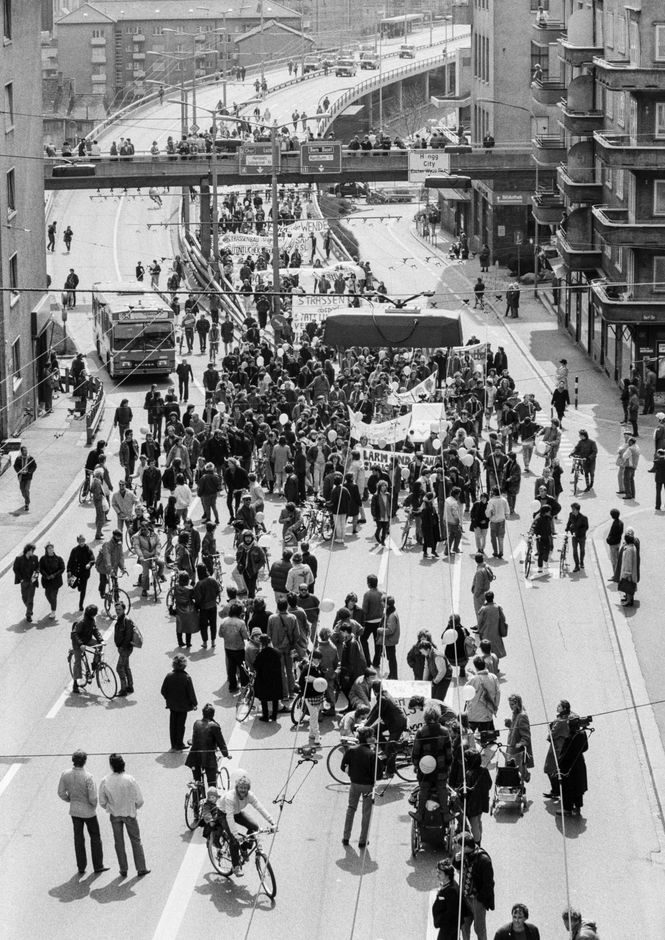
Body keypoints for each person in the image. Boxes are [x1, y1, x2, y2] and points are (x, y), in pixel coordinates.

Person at [58, 749, 108, 875]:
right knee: (95, 837)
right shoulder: (88, 777)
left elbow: (61, 792)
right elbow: (92, 797)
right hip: (88, 812)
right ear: (84, 761)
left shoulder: (65, 774)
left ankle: (81, 866)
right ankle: (98, 865)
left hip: (74, 810)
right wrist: (93, 805)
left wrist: (70, 800)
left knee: (78, 838)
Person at [99, 753, 149, 878]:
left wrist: (110, 807)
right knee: (136, 840)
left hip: (115, 814)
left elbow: (102, 802)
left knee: (119, 842)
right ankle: (141, 868)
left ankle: (123, 869)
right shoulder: (130, 779)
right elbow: (140, 800)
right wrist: (134, 807)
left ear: (111, 766)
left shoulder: (105, 780)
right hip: (129, 813)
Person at [217, 774, 275, 877]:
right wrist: (235, 834)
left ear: (248, 788)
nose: (243, 790)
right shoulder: (230, 797)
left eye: (245, 788)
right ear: (237, 787)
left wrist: (272, 822)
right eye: (240, 787)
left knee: (254, 827)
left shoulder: (249, 796)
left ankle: (244, 847)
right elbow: (229, 817)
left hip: (237, 812)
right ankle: (236, 867)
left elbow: (260, 807)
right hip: (224, 814)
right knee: (233, 839)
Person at [410, 705, 453, 825]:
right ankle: (446, 814)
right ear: (438, 716)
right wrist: (448, 765)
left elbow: (416, 753)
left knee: (424, 790)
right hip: (441, 769)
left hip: (425, 770)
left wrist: (416, 765)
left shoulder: (421, 732)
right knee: (442, 789)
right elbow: (449, 753)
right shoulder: (444, 731)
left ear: (425, 717)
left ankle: (419, 814)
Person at [341, 726, 377, 849]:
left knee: (351, 809)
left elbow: (343, 766)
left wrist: (351, 773)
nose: (374, 738)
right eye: (372, 736)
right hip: (368, 786)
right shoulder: (372, 754)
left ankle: (346, 837)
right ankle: (363, 840)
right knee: (366, 812)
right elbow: (377, 774)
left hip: (354, 784)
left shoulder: (351, 751)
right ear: (368, 738)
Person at [454, 833, 495, 940]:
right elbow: (458, 868)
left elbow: (489, 883)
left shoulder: (483, 860)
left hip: (476, 900)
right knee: (464, 925)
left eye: (460, 846)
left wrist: (480, 898)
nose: (458, 849)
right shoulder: (464, 855)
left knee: (479, 928)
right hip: (465, 897)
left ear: (467, 847)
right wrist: (456, 860)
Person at [364, 681, 407, 775]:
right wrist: (366, 719)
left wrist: (365, 726)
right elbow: (375, 708)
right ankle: (385, 748)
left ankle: (390, 771)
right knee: (374, 731)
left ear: (374, 691)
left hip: (397, 724)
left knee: (390, 748)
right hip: (390, 720)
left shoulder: (383, 699)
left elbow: (376, 714)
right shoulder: (383, 694)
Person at [185, 703, 230, 786]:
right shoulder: (215, 726)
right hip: (208, 759)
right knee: (211, 783)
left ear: (203, 713)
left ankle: (196, 792)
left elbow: (196, 737)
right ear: (213, 714)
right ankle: (210, 793)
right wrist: (226, 754)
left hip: (194, 757)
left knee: (197, 781)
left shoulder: (196, 723)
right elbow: (221, 743)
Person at [160, 654, 198, 750]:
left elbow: (163, 691)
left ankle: (173, 744)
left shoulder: (169, 676)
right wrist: (194, 704)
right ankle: (179, 743)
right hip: (183, 706)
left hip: (172, 705)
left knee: (173, 724)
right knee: (180, 725)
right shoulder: (186, 677)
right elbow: (191, 693)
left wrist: (168, 698)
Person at [557, 715, 589, 816]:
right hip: (579, 763)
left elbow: (565, 754)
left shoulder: (570, 738)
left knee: (568, 788)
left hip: (569, 766)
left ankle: (567, 809)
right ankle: (578, 808)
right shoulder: (582, 734)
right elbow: (585, 748)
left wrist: (559, 765)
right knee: (578, 787)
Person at [433, 860, 472, 940]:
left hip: (449, 926)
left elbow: (452, 912)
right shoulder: (448, 883)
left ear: (447, 875)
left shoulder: (452, 891)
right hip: (448, 925)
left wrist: (440, 920)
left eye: (440, 873)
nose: (437, 875)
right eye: (437, 872)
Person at [543, 699, 573, 799]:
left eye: (559, 706)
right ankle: (557, 790)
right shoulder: (567, 718)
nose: (557, 707)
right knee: (557, 770)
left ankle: (556, 790)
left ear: (564, 708)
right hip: (563, 748)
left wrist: (551, 728)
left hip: (556, 749)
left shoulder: (560, 722)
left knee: (549, 769)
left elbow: (551, 735)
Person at [70, 605, 103, 694]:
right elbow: (74, 634)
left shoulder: (91, 620)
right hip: (78, 642)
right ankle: (75, 684)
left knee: (99, 646)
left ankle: (95, 664)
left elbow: (95, 630)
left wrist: (101, 640)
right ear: (91, 614)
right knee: (78, 663)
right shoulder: (81, 622)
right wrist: (81, 644)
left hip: (87, 639)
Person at [461, 749, 492, 844]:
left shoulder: (469, 774)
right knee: (478, 821)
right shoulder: (484, 771)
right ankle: (479, 840)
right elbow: (489, 784)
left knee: (474, 823)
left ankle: (477, 843)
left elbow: (466, 790)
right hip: (482, 801)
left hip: (473, 804)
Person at [218, 601, 249, 693]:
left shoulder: (224, 621)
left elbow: (220, 634)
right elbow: (245, 636)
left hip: (228, 648)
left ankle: (232, 686)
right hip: (239, 648)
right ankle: (244, 685)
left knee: (231, 668)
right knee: (242, 667)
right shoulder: (241, 623)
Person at [299, 649, 327, 747]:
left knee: (313, 716)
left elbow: (322, 679)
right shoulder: (307, 668)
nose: (319, 661)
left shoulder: (318, 667)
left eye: (320, 659)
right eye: (318, 659)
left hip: (318, 695)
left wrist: (314, 680)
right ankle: (317, 735)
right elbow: (301, 682)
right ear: (313, 658)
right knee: (314, 716)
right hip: (310, 696)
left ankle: (311, 733)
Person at [465, 655, 500, 732]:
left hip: (473, 715)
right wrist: (495, 708)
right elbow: (498, 694)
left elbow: (466, 694)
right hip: (487, 714)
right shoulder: (493, 678)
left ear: (475, 667)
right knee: (484, 736)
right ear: (485, 665)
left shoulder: (473, 679)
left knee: (469, 735)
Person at [253, 634, 283, 722]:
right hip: (275, 678)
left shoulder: (261, 654)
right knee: (275, 697)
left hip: (264, 679)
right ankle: (274, 715)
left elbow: (255, 665)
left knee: (264, 698)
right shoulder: (276, 652)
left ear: (261, 644)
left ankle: (265, 716)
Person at [504, 694, 534, 782]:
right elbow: (515, 728)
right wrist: (509, 724)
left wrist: (521, 743)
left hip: (517, 748)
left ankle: (525, 776)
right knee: (511, 767)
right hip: (512, 744)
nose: (511, 707)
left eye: (512, 704)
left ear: (518, 703)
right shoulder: (515, 713)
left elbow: (526, 734)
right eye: (510, 704)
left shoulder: (522, 716)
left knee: (516, 766)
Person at [113, 600, 136, 696]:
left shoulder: (126, 620)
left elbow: (128, 636)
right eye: (116, 609)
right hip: (123, 648)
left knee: (119, 668)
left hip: (125, 649)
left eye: (119, 609)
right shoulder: (120, 619)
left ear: (124, 610)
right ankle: (130, 686)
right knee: (126, 667)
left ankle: (123, 689)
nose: (117, 611)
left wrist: (122, 647)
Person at [374, 595, 400, 679]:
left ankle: (393, 675)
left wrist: (379, 630)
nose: (381, 603)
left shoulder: (391, 615)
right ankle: (392, 674)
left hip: (390, 640)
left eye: (382, 602)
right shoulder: (390, 612)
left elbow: (390, 630)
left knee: (391, 659)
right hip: (390, 640)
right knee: (391, 658)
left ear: (387, 604)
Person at [476, 592, 507, 660]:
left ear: (486, 598)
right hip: (496, 634)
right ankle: (495, 665)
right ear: (493, 597)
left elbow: (479, 623)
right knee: (496, 654)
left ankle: (490, 665)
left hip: (486, 635)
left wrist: (479, 632)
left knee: (487, 653)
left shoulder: (483, 609)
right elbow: (503, 619)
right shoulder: (498, 607)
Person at [13, 542, 39, 622]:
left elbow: (37, 568)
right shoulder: (19, 559)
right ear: (27, 550)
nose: (33, 552)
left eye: (33, 550)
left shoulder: (35, 558)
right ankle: (29, 609)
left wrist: (34, 578)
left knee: (30, 598)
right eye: (31, 550)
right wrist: (21, 579)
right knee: (24, 598)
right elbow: (15, 569)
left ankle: (28, 615)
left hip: (32, 581)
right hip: (24, 581)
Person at [235, 529, 265, 599]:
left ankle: (251, 601)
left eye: (249, 537)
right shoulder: (241, 546)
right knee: (248, 587)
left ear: (252, 538)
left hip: (253, 571)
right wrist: (239, 564)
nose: (248, 539)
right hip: (244, 570)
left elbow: (263, 560)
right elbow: (237, 556)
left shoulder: (257, 547)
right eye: (246, 537)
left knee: (251, 591)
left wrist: (256, 568)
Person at [39, 542, 65, 619]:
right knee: (47, 594)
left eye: (51, 548)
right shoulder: (43, 559)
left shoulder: (59, 559)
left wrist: (54, 575)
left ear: (53, 549)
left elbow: (62, 568)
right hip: (47, 581)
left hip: (56, 581)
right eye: (49, 548)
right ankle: (53, 605)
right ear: (46, 550)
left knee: (53, 596)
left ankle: (53, 611)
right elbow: (40, 568)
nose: (50, 550)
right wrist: (46, 576)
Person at [616, 529, 640, 606]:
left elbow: (628, 562)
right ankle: (628, 599)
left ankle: (629, 601)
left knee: (628, 586)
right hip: (630, 571)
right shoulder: (632, 547)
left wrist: (627, 574)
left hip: (628, 572)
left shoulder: (629, 550)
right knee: (629, 586)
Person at [565, 502, 589, 572]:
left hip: (581, 536)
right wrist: (567, 529)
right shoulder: (571, 515)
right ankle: (576, 565)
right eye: (572, 509)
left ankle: (581, 562)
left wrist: (578, 532)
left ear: (577, 510)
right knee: (575, 551)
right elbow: (569, 522)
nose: (572, 510)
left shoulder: (584, 517)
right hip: (574, 536)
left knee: (582, 550)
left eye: (573, 509)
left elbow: (586, 527)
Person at [14, 445, 37, 511]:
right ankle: (27, 499)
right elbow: (15, 466)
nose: (26, 452)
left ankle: (27, 503)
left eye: (26, 450)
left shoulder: (30, 458)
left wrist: (29, 472)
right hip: (21, 476)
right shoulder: (18, 459)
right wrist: (20, 471)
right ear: (21, 452)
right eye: (24, 451)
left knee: (26, 489)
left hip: (28, 476)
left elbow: (34, 466)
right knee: (22, 490)